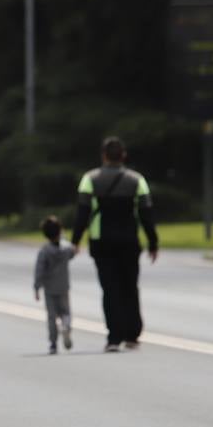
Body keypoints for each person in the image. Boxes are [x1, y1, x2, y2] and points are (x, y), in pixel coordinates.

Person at [69, 137, 159, 352]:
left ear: (103, 155)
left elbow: (83, 213)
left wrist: (75, 240)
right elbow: (146, 214)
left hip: (102, 243)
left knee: (110, 289)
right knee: (130, 287)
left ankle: (114, 337)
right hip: (129, 242)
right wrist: (153, 243)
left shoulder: (89, 180)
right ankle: (133, 333)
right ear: (123, 155)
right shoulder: (137, 181)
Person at [34, 215, 76, 355]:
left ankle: (53, 343)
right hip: (63, 286)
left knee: (52, 317)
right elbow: (73, 252)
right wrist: (64, 237)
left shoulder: (44, 251)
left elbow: (39, 270)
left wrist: (36, 287)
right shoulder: (65, 249)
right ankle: (66, 326)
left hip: (49, 289)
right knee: (66, 312)